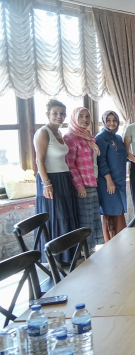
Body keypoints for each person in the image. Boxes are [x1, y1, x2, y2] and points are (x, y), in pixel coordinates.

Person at [34, 99, 79, 262]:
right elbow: (39, 160)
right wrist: (46, 184)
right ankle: (54, 257)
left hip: (64, 178)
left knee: (66, 215)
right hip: (51, 179)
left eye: (62, 113)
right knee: (55, 216)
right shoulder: (43, 132)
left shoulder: (59, 133)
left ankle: (67, 255)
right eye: (55, 113)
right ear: (48, 114)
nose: (59, 116)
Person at [64, 107, 104, 249]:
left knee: (93, 216)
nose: (85, 119)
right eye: (81, 116)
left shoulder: (89, 137)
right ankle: (84, 250)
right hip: (82, 185)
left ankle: (91, 249)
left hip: (93, 182)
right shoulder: (70, 137)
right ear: (74, 118)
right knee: (85, 219)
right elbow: (70, 164)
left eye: (87, 116)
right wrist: (80, 186)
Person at [95, 111, 128, 242]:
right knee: (111, 212)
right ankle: (111, 243)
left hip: (119, 180)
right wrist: (109, 180)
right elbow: (101, 161)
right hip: (107, 181)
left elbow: (123, 156)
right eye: (108, 120)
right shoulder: (101, 138)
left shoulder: (118, 138)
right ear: (104, 121)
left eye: (114, 120)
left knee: (119, 211)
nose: (112, 123)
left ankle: (122, 243)